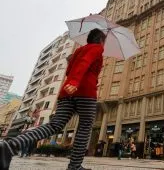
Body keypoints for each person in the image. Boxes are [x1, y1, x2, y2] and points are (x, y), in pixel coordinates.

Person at [0, 29, 106, 170]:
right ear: (100, 40)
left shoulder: (79, 51)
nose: (104, 45)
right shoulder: (97, 48)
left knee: (54, 125)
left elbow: (69, 71)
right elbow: (84, 63)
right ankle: (75, 166)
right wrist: (76, 81)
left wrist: (73, 81)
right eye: (104, 42)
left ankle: (10, 145)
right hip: (85, 93)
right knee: (85, 127)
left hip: (66, 92)